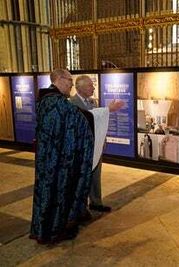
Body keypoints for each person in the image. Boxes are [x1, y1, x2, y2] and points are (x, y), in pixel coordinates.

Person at [30, 69, 123, 244]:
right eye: (69, 80)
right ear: (59, 79)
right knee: (57, 192)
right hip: (57, 159)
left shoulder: (47, 101)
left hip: (51, 157)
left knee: (52, 192)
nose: (71, 84)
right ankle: (55, 230)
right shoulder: (57, 103)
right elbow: (80, 119)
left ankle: (52, 225)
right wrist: (107, 110)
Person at [69, 75, 110, 213]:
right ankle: (81, 206)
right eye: (89, 86)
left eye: (93, 85)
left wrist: (103, 139)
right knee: (82, 177)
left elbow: (99, 123)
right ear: (79, 88)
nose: (93, 88)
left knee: (96, 174)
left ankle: (96, 202)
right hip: (82, 148)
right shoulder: (71, 103)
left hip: (96, 146)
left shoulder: (93, 103)